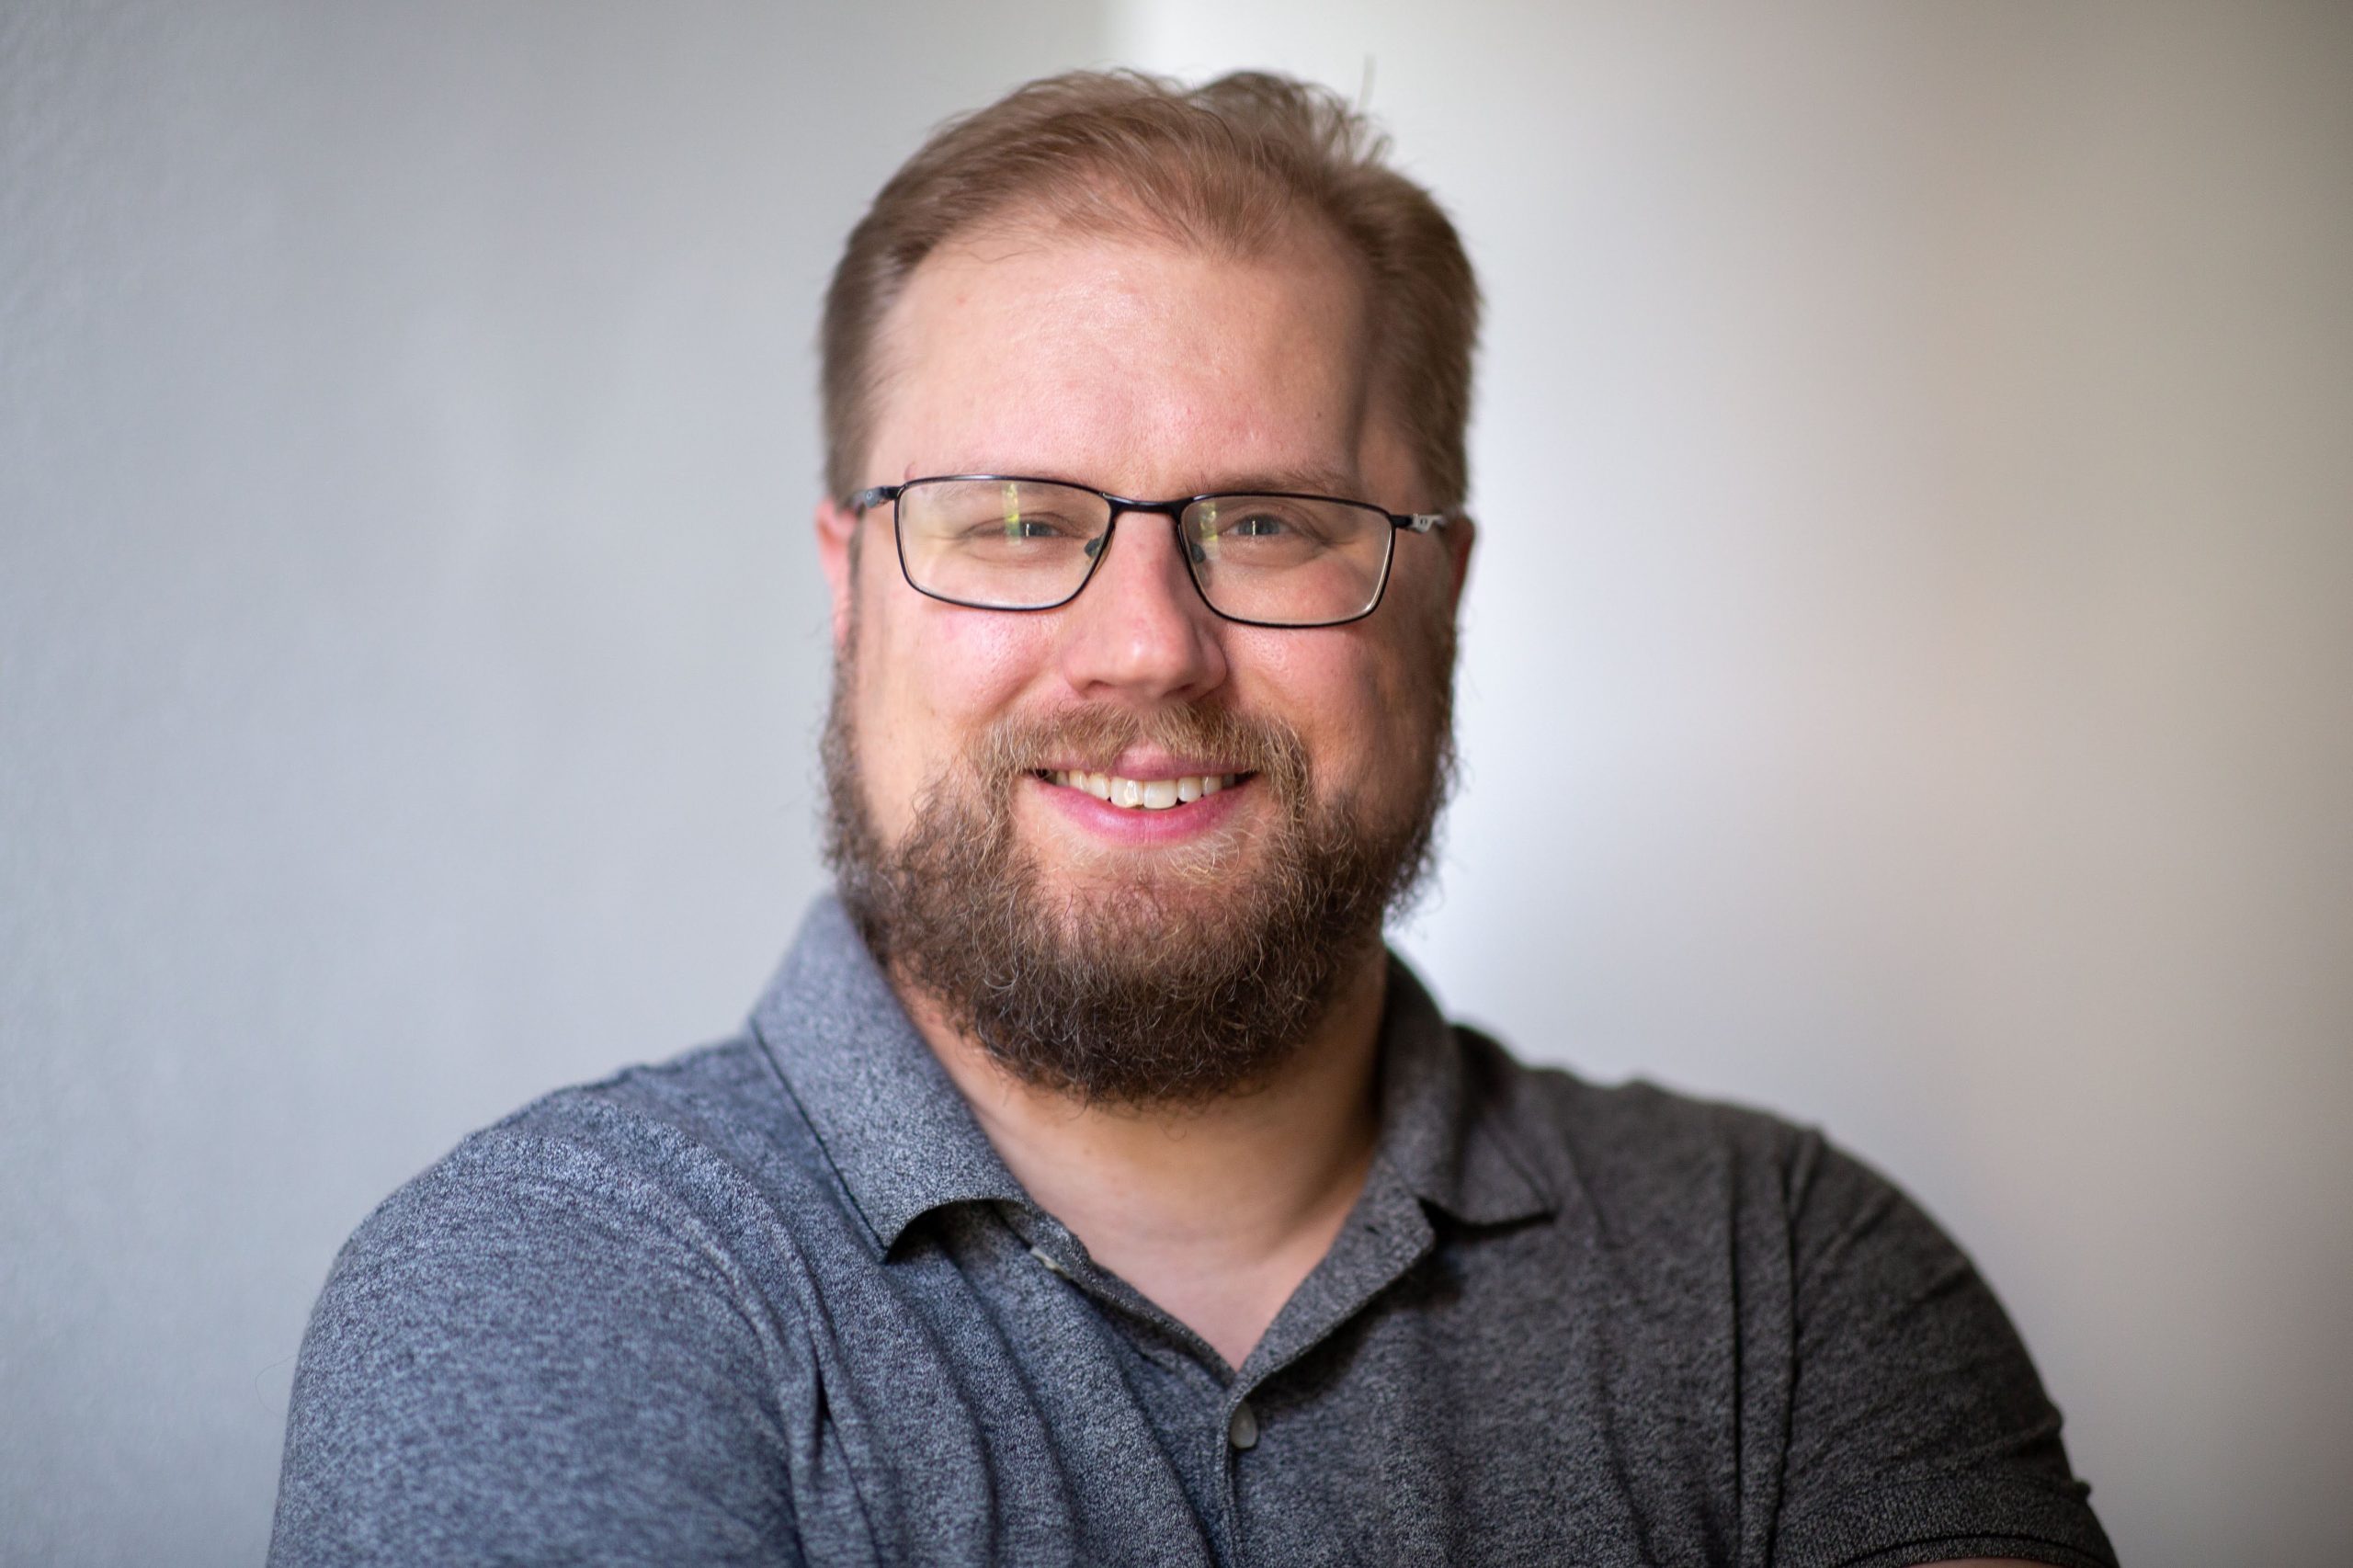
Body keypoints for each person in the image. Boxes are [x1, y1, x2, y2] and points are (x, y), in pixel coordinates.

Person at [269, 71, 2116, 1567]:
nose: (1145, 646)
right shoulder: (553, 1289)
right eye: (1010, 518)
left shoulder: (1781, 1282)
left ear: (1439, 595)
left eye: (1269, 520)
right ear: (850, 589)